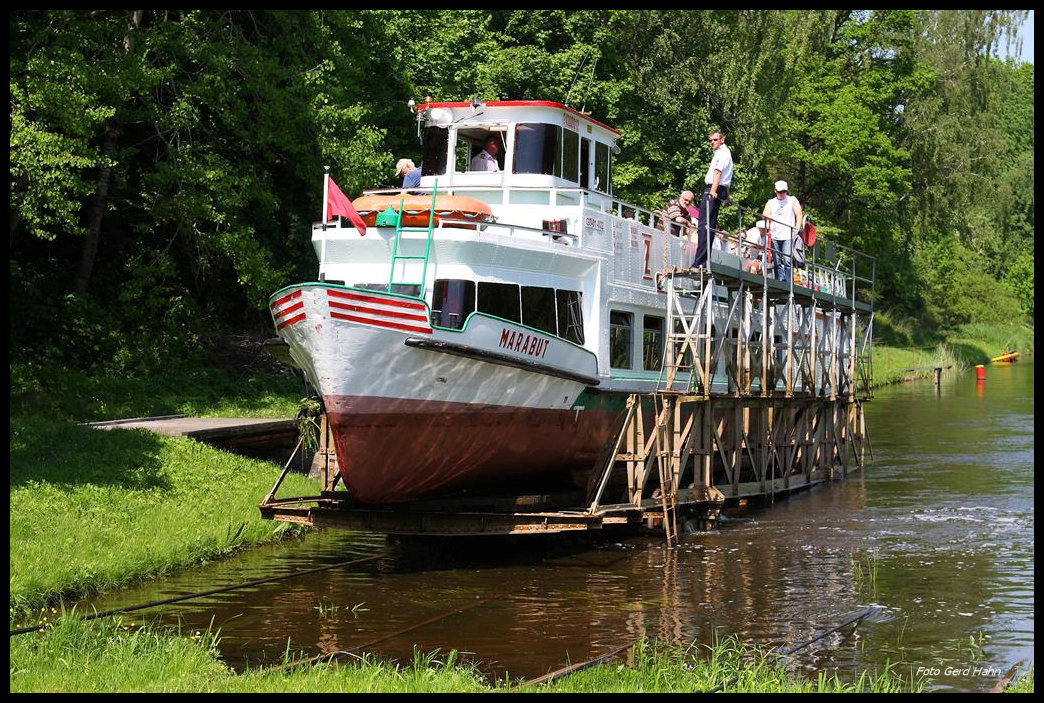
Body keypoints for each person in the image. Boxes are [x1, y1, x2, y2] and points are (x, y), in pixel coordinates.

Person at [693, 130, 733, 268]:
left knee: (703, 226)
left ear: (722, 140)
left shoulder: (722, 153)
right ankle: (703, 262)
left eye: (715, 140)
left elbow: (718, 172)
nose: (712, 142)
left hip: (713, 189)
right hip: (719, 189)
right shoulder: (723, 153)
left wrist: (713, 191)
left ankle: (699, 262)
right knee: (709, 227)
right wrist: (727, 196)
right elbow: (727, 178)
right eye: (710, 140)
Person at [762, 180, 803, 283]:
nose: (782, 194)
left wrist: (797, 228)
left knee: (787, 260)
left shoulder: (792, 200)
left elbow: (799, 214)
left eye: (784, 191)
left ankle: (788, 282)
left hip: (788, 235)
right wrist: (772, 217)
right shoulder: (771, 202)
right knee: (777, 261)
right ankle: (780, 281)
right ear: (775, 191)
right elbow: (764, 214)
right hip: (775, 235)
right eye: (780, 192)